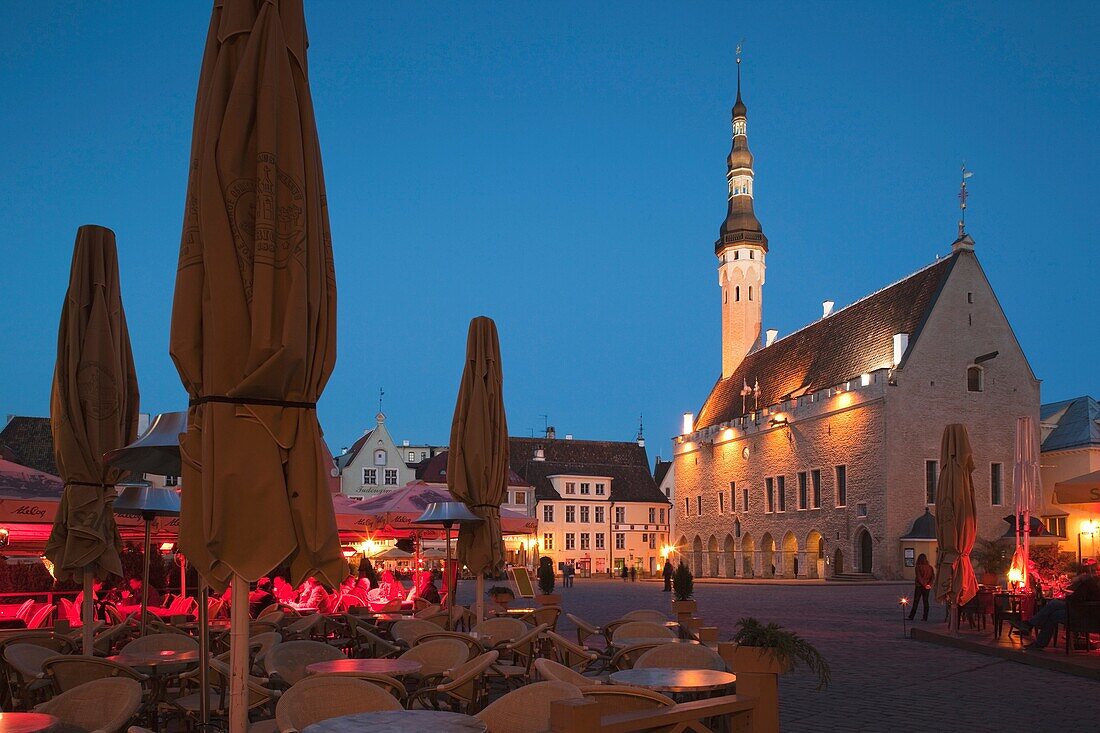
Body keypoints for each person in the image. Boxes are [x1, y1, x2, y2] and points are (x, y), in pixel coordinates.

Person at [1011, 561, 1100, 650]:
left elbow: (1077, 598)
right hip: (1085, 613)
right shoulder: (1093, 583)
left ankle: (1031, 627)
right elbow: (1079, 597)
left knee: (1053, 607)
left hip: (1082, 616)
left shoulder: (1090, 583)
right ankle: (1034, 632)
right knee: (1054, 610)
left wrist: (1069, 594)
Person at [908, 554, 934, 621]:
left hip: (919, 586)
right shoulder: (930, 567)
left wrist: (924, 584)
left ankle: (911, 616)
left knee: (916, 601)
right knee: (926, 602)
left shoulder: (918, 567)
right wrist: (929, 584)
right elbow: (932, 577)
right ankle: (925, 617)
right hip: (927, 587)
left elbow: (919, 577)